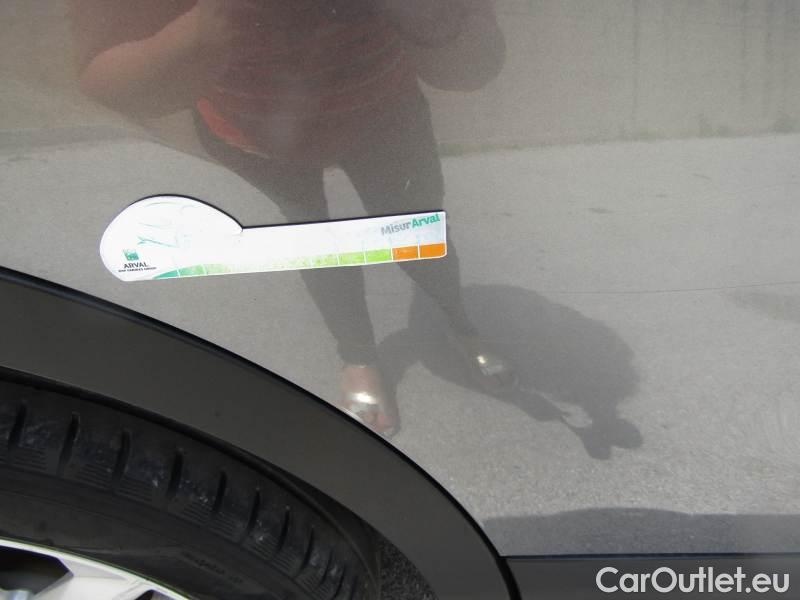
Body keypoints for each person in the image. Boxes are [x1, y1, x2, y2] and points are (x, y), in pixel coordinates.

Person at [70, 0, 514, 435]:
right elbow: (112, 84)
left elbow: (477, 66)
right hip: (258, 132)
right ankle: (358, 354)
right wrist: (208, 26)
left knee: (417, 228)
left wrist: (427, 17)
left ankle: (459, 320)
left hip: (385, 113)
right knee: (312, 241)